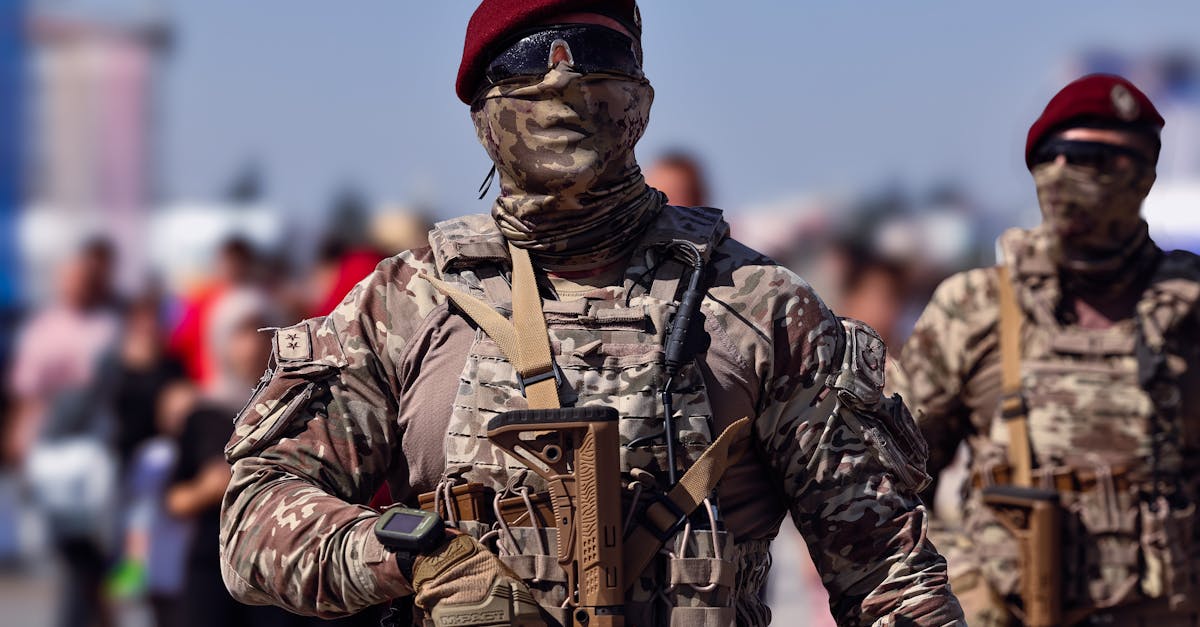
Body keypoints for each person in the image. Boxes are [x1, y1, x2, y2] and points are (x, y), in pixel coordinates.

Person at [220, 2, 962, 626]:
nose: (564, 77)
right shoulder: (407, 304)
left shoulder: (759, 306)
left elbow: (889, 575)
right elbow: (254, 518)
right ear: (483, 102)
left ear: (640, 91)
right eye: (528, 59)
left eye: (597, 54)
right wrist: (410, 550)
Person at [890, 74, 1200, 625]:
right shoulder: (977, 308)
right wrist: (963, 587)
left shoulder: (1188, 308)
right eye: (1048, 156)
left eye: (1085, 157)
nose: (1060, 175)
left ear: (1143, 174)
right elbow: (890, 485)